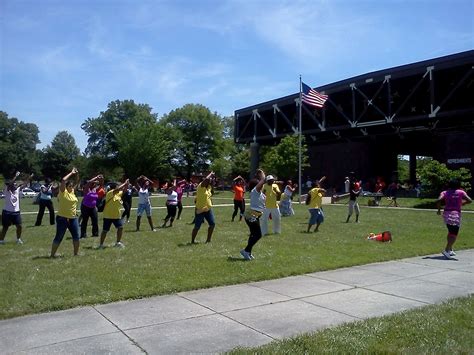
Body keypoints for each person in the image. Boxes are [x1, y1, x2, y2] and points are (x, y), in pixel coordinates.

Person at [436, 179, 472, 259]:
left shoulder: (444, 192)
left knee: (450, 231)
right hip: (455, 215)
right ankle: (446, 250)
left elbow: (438, 200)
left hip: (446, 214)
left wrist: (439, 209)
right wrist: (463, 203)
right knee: (454, 233)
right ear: (458, 185)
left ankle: (450, 250)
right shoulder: (461, 192)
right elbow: (470, 200)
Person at [50, 168, 80, 257]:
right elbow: (63, 180)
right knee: (59, 237)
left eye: (72, 186)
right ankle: (52, 255)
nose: (72, 187)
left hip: (73, 218)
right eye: (70, 186)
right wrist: (71, 173)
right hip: (62, 218)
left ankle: (76, 254)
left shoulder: (73, 193)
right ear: (66, 187)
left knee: (76, 237)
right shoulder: (63, 193)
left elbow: (77, 181)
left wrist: (77, 174)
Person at [0, 171, 33, 245]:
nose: (15, 185)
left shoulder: (17, 190)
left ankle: (18, 239)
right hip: (7, 212)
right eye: (13, 184)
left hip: (16, 212)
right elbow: (11, 183)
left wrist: (30, 177)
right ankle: (1, 240)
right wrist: (16, 176)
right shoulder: (6, 190)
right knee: (5, 227)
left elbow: (24, 183)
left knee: (19, 226)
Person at [240, 169, 266, 260]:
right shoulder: (255, 191)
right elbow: (263, 180)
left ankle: (248, 252)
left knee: (253, 234)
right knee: (258, 234)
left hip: (254, 215)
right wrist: (261, 173)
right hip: (251, 215)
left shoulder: (259, 193)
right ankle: (246, 251)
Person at [98, 179, 130, 249]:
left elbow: (124, 191)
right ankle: (101, 244)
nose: (118, 187)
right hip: (108, 216)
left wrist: (126, 185)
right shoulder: (110, 193)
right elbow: (118, 189)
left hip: (116, 215)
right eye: (117, 186)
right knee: (105, 230)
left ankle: (118, 242)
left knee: (120, 228)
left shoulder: (118, 194)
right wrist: (124, 183)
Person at [191, 172, 216, 244]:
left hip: (208, 209)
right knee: (197, 226)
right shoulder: (200, 186)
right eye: (209, 180)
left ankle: (208, 240)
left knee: (212, 224)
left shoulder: (209, 187)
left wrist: (212, 180)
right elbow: (206, 179)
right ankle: (192, 241)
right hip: (200, 209)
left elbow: (210, 195)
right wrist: (211, 174)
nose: (210, 180)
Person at [80, 174, 103, 238]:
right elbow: (89, 182)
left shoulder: (95, 189)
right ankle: (83, 234)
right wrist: (96, 177)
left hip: (93, 207)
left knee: (95, 221)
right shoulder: (86, 189)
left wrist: (101, 179)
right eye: (93, 184)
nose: (94, 185)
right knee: (85, 221)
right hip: (85, 207)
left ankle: (95, 233)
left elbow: (101, 184)